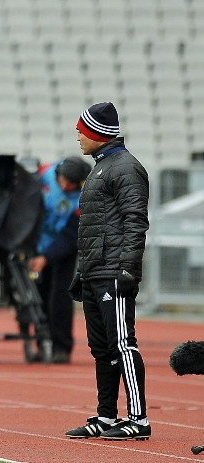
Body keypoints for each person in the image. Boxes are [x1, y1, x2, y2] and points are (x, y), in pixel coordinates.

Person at [65, 102, 151, 440]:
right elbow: (95, 227)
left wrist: (127, 269)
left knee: (122, 345)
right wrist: (82, 272)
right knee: (102, 349)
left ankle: (139, 419)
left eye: (81, 131)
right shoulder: (103, 167)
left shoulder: (125, 168)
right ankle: (106, 415)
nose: (78, 138)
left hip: (114, 271)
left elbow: (135, 220)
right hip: (95, 270)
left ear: (98, 134)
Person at [28, 156, 91, 364]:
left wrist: (46, 258)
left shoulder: (86, 196)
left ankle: (62, 347)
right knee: (39, 295)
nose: (64, 186)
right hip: (37, 244)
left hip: (63, 247)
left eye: (69, 184)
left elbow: (73, 235)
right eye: (61, 181)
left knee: (61, 297)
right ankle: (42, 343)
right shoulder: (45, 173)